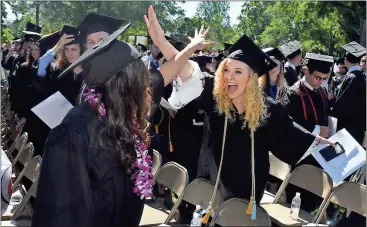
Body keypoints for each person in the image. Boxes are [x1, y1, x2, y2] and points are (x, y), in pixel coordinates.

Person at [32, 9, 211, 226]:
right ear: (127, 81)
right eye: (140, 74)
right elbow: (60, 215)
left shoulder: (131, 110)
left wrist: (166, 42)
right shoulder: (74, 132)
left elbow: (172, 69)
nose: (146, 79)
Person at [183, 34, 333, 222]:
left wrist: (317, 141)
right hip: (215, 180)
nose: (230, 76)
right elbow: (187, 73)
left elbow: (289, 133)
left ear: (252, 78)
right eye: (227, 70)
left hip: (248, 185)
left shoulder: (268, 110)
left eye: (238, 71)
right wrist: (184, 49)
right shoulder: (216, 99)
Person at [284, 53, 333, 138]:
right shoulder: (293, 93)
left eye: (324, 78)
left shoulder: (322, 90)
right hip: (303, 144)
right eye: (318, 78)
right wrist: (318, 130)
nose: (321, 82)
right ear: (306, 71)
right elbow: (292, 122)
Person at [37, 25, 85, 105]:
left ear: (81, 51)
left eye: (73, 49)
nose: (69, 53)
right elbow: (41, 65)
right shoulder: (59, 71)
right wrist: (58, 45)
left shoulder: (89, 74)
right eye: (66, 49)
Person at [330, 41, 366, 145]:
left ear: (345, 60)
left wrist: (331, 103)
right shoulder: (362, 77)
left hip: (348, 129)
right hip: (358, 126)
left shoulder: (352, 78)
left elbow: (343, 104)